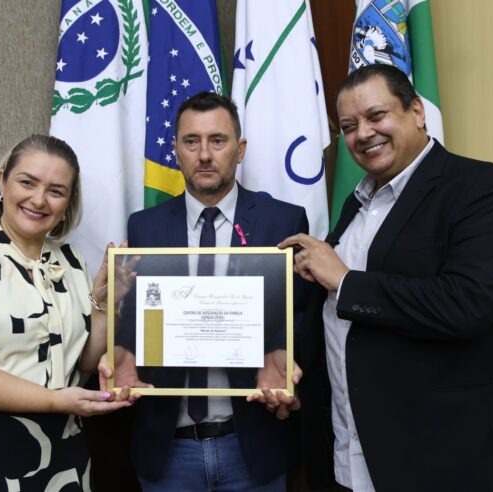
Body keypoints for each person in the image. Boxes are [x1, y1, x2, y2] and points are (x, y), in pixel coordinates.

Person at [280, 64, 493, 492]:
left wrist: (346, 281)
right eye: (348, 126)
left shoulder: (486, 188)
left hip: (449, 460)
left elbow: (466, 304)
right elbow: (342, 320)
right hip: (352, 454)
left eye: (376, 116)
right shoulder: (356, 204)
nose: (363, 134)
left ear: (418, 112)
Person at [101, 92, 308, 491]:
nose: (205, 154)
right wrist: (123, 351)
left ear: (240, 149)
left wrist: (285, 358)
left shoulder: (281, 221)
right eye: (191, 141)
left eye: (218, 140)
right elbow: (140, 318)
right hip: (169, 448)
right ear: (176, 151)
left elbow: (299, 313)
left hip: (252, 441)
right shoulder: (145, 227)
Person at [0, 134, 134, 490]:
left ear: (68, 202)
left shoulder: (71, 261)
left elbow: (84, 362)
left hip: (64, 455)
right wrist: (53, 400)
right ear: (2, 182)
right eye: (27, 182)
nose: (39, 199)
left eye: (56, 190)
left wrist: (107, 303)